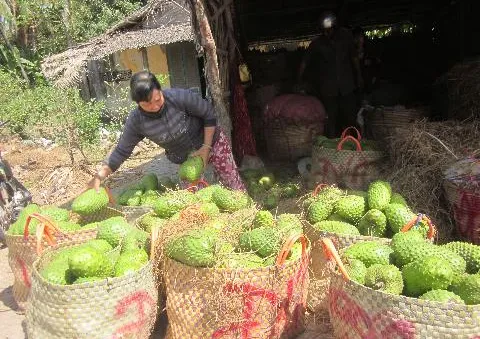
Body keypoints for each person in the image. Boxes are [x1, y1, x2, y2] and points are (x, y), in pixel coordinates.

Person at [88, 71, 246, 191]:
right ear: (138, 103)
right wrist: (99, 176)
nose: (155, 106)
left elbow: (209, 115)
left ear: (160, 90)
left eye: (157, 99)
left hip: (212, 141)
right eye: (147, 104)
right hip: (185, 157)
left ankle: (246, 213)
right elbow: (121, 151)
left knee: (232, 182)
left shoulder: (179, 97)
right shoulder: (137, 121)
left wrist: (206, 148)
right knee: (194, 199)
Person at [297, 11, 363, 138]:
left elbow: (354, 57)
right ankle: (333, 145)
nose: (327, 33)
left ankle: (355, 142)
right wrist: (299, 80)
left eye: (329, 30)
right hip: (329, 89)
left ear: (335, 28)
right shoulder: (317, 44)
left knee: (350, 116)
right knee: (331, 118)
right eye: (324, 31)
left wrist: (359, 76)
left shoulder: (346, 36)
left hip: (346, 85)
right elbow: (304, 62)